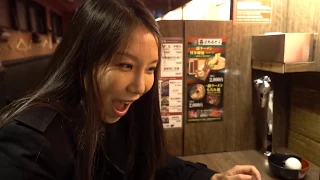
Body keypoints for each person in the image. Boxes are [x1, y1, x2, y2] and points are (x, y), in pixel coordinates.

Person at [0, 0, 262, 179]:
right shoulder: (30, 144)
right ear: (83, 61)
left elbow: (153, 164)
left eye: (150, 69)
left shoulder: (116, 112)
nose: (139, 87)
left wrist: (212, 176)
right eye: (125, 65)